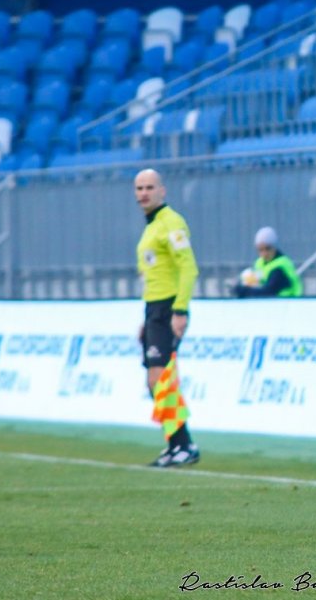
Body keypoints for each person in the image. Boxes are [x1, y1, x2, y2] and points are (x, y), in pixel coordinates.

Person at [134, 168, 200, 467]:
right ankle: (176, 444)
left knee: (161, 379)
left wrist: (180, 310)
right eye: (139, 188)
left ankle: (183, 444)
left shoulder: (171, 222)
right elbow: (154, 274)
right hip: (154, 309)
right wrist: (146, 318)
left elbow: (188, 267)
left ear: (162, 190)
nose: (144, 193)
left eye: (149, 187)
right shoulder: (151, 227)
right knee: (156, 381)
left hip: (168, 308)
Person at [233, 226, 304, 298]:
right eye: (260, 250)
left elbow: (268, 292)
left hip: (288, 302)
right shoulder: (260, 263)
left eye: (268, 249)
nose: (264, 253)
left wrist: (245, 291)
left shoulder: (280, 267)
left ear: (274, 247)